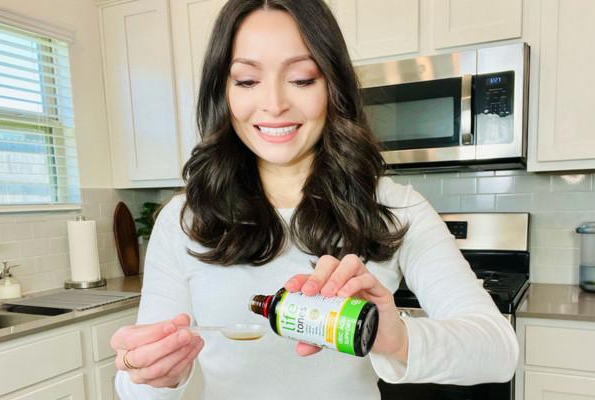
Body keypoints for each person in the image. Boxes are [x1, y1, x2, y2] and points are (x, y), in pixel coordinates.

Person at [112, 1, 519, 399]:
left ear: (332, 85)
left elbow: (499, 352)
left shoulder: (396, 208)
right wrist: (153, 375)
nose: (273, 104)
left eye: (302, 78)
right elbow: (134, 391)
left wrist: (394, 337)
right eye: (247, 81)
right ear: (223, 92)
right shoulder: (184, 220)